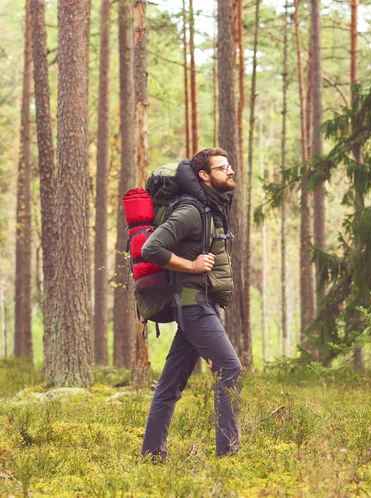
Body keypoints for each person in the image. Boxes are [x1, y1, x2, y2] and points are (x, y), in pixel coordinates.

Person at [140, 147, 241, 459]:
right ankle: (228, 454)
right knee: (230, 369)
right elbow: (151, 248)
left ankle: (152, 453)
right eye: (223, 168)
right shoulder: (192, 211)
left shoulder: (211, 208)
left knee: (170, 384)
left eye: (229, 166)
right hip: (194, 306)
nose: (230, 171)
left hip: (200, 305)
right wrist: (192, 266)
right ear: (204, 176)